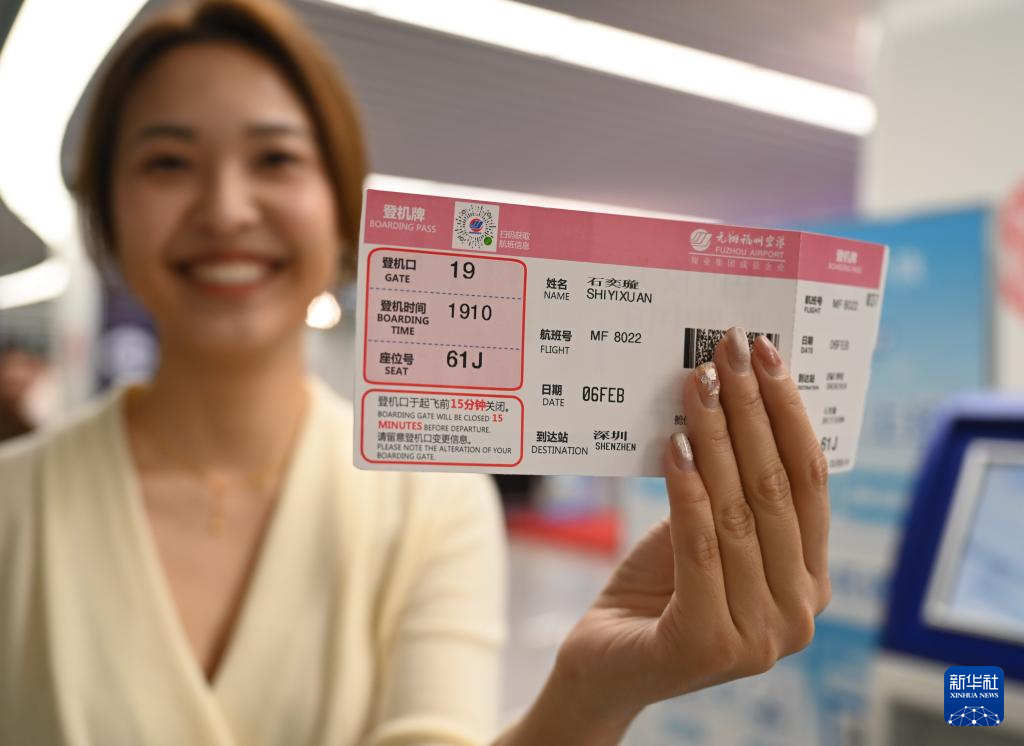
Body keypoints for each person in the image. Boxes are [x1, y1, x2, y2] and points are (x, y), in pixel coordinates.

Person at [0, 1, 831, 744]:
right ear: (105, 213)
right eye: (167, 163)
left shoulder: (432, 503)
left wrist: (590, 697)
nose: (225, 208)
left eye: (275, 159)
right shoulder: (13, 502)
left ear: (341, 210)